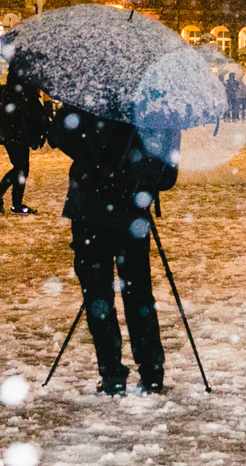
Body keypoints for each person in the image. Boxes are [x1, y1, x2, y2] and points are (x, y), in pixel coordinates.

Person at [48, 104, 177, 396]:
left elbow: (59, 135)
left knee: (97, 295)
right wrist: (140, 174)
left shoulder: (88, 95)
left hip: (90, 210)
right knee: (138, 293)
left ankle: (112, 373)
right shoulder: (157, 104)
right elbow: (168, 175)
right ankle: (151, 372)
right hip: (131, 213)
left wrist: (94, 158)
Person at [0, 72, 49, 214]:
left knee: (21, 168)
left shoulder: (16, 93)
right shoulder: (23, 95)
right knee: (21, 168)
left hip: (13, 134)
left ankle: (12, 201)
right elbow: (35, 115)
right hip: (16, 134)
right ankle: (0, 195)